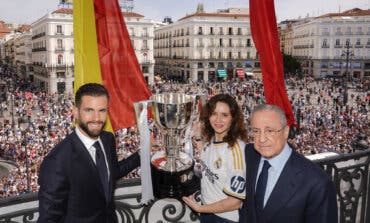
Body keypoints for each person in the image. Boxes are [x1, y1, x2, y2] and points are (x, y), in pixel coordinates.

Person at [38, 83, 141, 223]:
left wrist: (141, 154)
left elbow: (112, 172)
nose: (97, 118)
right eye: (89, 110)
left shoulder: (107, 139)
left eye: (102, 110)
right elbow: (49, 219)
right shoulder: (58, 160)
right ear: (75, 112)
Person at [239, 104, 338, 223]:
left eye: (270, 131)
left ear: (286, 132)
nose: (261, 139)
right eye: (256, 131)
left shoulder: (318, 183)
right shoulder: (249, 155)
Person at [182, 94, 248, 223]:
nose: (218, 120)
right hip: (209, 213)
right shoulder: (213, 139)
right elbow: (210, 162)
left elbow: (235, 202)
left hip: (225, 218)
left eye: (224, 115)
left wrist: (200, 208)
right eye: (214, 114)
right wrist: (199, 137)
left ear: (233, 118)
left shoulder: (236, 149)